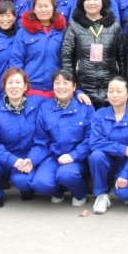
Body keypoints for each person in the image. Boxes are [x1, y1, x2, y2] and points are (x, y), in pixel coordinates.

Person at [0, 68, 44, 207]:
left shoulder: (38, 104)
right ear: (4, 86)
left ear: (25, 86)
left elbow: (61, 94)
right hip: (4, 158)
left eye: (18, 82)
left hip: (27, 158)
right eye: (10, 82)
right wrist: (13, 160)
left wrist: (32, 159)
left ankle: (25, 189)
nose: (14, 86)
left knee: (24, 182)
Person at [28, 70, 94, 206]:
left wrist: (73, 156)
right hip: (54, 157)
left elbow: (91, 138)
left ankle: (80, 194)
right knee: (40, 183)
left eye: (66, 82)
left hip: (77, 159)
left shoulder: (85, 107)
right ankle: (58, 191)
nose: (61, 86)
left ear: (74, 87)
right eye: (57, 83)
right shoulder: (45, 108)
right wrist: (31, 159)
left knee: (66, 175)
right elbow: (41, 142)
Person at [61, 0, 125, 108]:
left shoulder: (114, 27)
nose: (91, 3)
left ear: (103, 1)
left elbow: (122, 59)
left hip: (111, 93)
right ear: (82, 2)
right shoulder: (74, 27)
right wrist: (76, 90)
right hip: (83, 93)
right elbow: (66, 59)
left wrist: (119, 88)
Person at [89, 77, 128, 214]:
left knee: (125, 194)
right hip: (108, 162)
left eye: (119, 91)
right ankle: (101, 195)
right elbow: (95, 143)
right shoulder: (99, 115)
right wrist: (122, 149)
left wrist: (126, 174)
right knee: (96, 155)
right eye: (111, 91)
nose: (114, 95)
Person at [9, 0, 67, 98]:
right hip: (30, 89)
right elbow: (16, 60)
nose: (43, 10)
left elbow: (67, 61)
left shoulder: (62, 32)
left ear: (53, 8)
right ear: (34, 9)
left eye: (47, 6)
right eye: (39, 6)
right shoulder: (24, 32)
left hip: (56, 90)